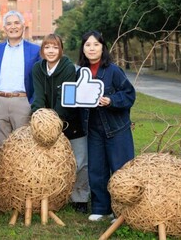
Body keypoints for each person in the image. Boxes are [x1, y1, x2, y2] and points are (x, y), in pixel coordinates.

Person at [77, 31, 136, 222]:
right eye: (87, 45)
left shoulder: (113, 70)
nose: (92, 48)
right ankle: (101, 208)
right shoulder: (81, 72)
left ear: (102, 47)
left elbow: (129, 95)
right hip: (93, 128)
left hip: (116, 128)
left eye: (96, 44)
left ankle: (122, 211)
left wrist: (111, 100)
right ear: (83, 49)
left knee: (120, 169)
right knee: (97, 169)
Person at [30, 34, 90, 214]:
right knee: (52, 161)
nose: (51, 51)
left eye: (55, 47)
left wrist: (54, 121)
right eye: (47, 47)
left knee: (79, 161)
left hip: (70, 120)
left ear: (61, 50)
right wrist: (37, 116)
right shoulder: (37, 68)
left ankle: (80, 198)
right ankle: (54, 195)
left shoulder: (68, 67)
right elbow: (39, 95)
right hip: (48, 123)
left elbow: (65, 98)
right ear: (42, 50)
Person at [0, 10, 41, 147]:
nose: (13, 27)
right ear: (4, 28)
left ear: (23, 25)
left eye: (17, 23)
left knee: (23, 145)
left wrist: (32, 103)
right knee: (0, 146)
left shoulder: (35, 51)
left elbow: (40, 80)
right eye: (9, 24)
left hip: (23, 102)